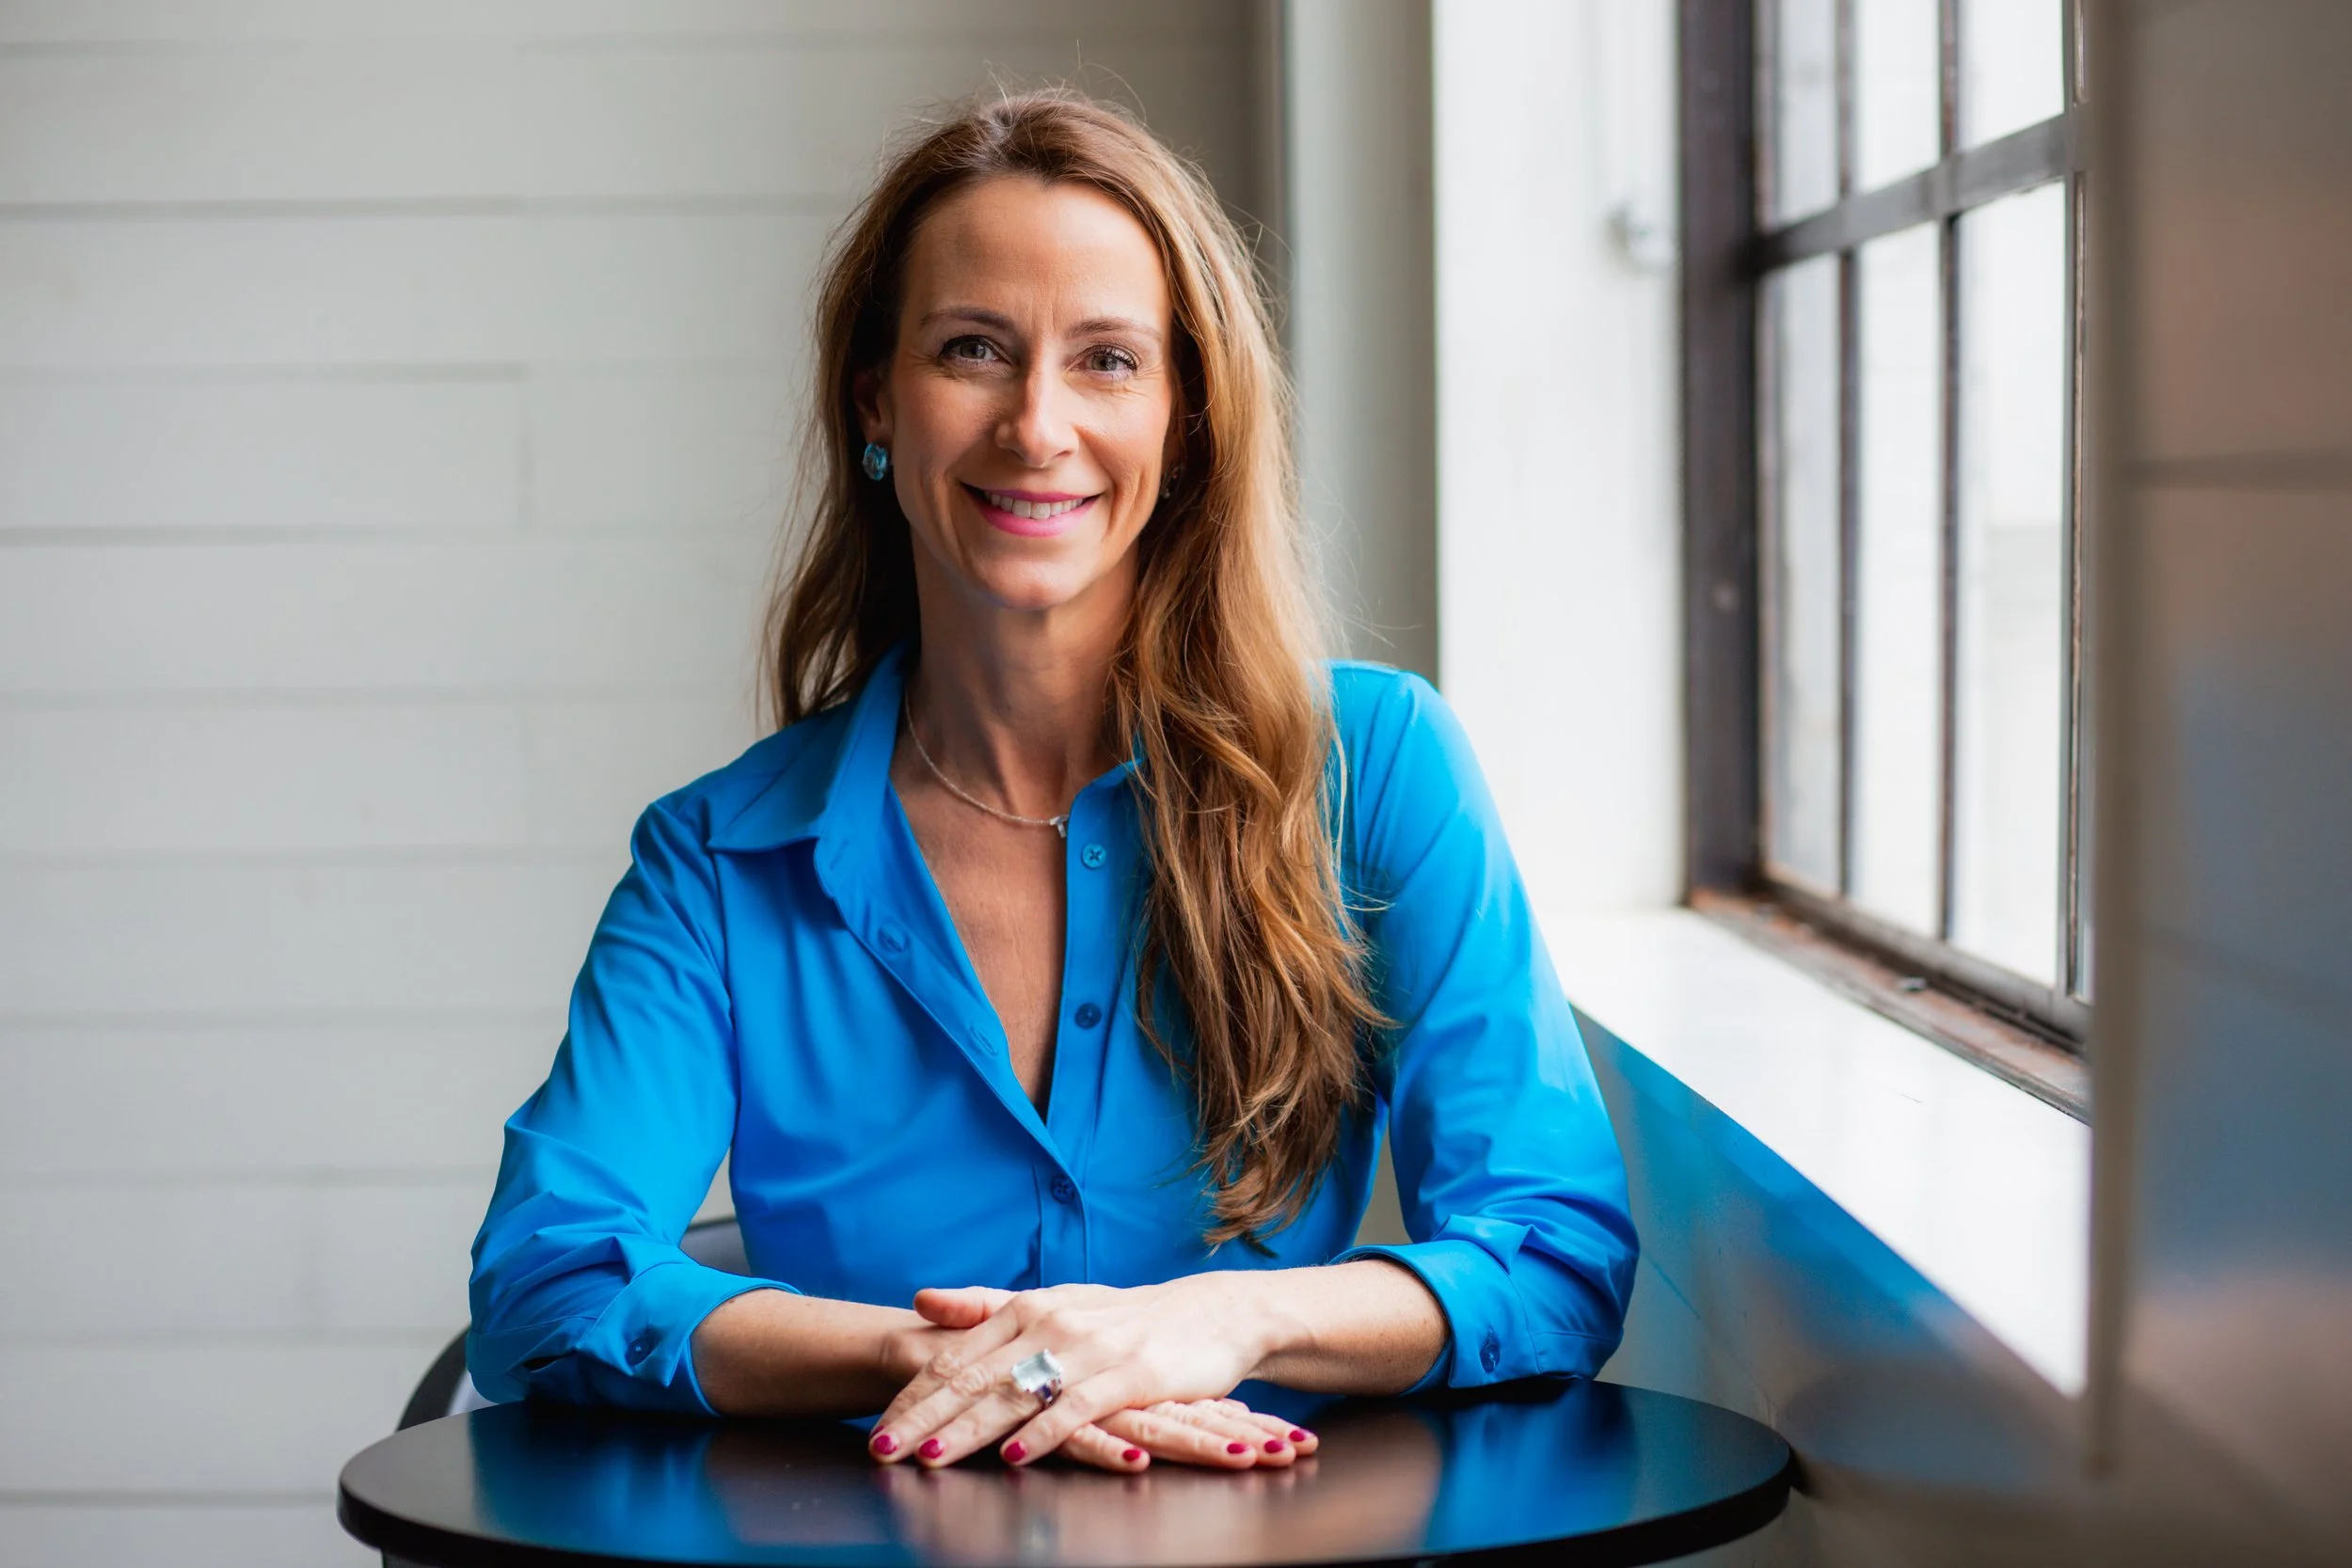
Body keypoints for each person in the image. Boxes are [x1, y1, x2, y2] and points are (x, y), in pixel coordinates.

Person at [467, 89, 1637, 1476]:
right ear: (875, 403)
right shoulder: (715, 862)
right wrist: (966, 1365)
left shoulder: (1378, 771)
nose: (1036, 424)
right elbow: (546, 1281)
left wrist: (1220, 1321)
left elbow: (1553, 1251)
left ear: (1187, 421)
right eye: (974, 349)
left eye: (1107, 361)